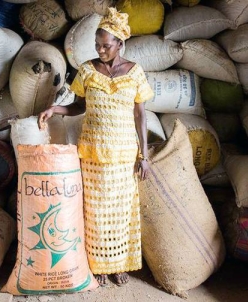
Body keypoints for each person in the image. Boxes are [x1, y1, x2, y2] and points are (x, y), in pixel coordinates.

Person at [37, 8, 154, 287]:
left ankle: (118, 265)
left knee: (120, 213)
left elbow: (140, 114)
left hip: (123, 155)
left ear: (120, 44)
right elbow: (80, 106)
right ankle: (97, 264)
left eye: (106, 46)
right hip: (92, 153)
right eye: (97, 45)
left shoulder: (135, 72)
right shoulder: (87, 70)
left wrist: (144, 156)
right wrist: (56, 108)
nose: (101, 50)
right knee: (94, 212)